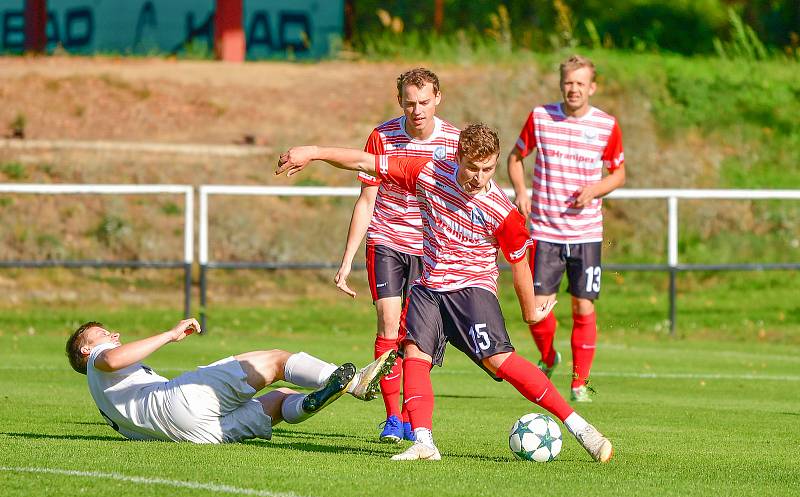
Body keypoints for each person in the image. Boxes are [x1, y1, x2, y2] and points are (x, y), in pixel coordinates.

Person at [276, 123, 614, 463]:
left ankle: (580, 427)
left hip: (471, 290)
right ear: (457, 157)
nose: (478, 178)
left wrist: (530, 312)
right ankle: (424, 442)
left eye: (487, 169)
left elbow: (520, 265)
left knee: (500, 362)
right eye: (472, 167)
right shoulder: (427, 172)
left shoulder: (503, 213)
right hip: (429, 287)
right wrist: (314, 152)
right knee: (415, 355)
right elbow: (367, 162)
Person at [334, 67, 460, 443]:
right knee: (388, 325)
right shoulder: (382, 136)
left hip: (431, 247)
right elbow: (367, 200)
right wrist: (346, 263)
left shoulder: (454, 142)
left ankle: (410, 415)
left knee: (415, 338)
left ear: (438, 97)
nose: (417, 110)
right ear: (400, 101)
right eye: (409, 103)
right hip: (386, 241)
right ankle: (392, 419)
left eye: (423, 102)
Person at [65, 318, 396, 444]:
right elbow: (111, 358)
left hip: (193, 436)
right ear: (86, 346)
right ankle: (356, 384)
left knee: (280, 400)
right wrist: (169, 333)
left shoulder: (105, 405)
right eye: (104, 333)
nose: (114, 334)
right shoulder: (98, 358)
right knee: (276, 360)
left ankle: (312, 400)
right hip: (178, 401)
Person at [507, 55, 626, 402]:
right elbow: (516, 157)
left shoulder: (606, 125)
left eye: (580, 83)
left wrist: (595, 189)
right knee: (536, 310)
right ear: (562, 85)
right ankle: (548, 357)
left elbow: (618, 173)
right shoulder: (541, 117)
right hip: (545, 232)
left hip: (586, 233)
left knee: (583, 307)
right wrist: (521, 192)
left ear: (592, 87)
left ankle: (578, 383)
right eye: (568, 83)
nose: (573, 89)